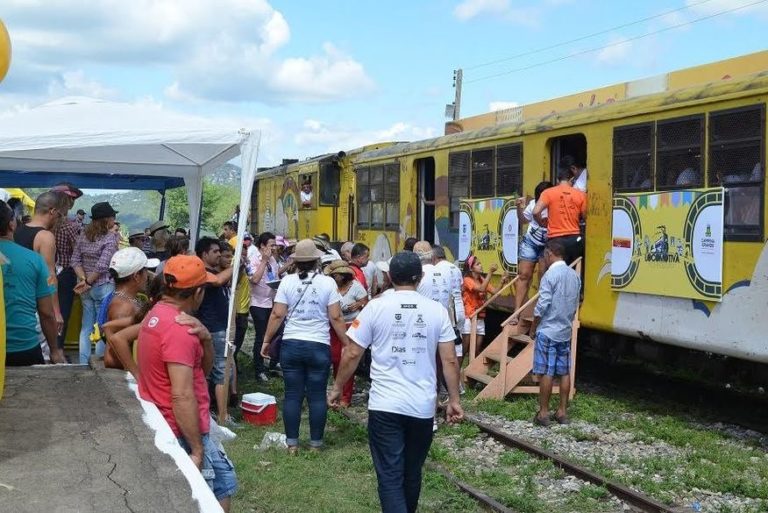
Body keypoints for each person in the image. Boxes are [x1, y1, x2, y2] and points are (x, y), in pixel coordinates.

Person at [329, 251, 464, 513]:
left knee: (390, 475)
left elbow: (353, 352)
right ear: (421, 277)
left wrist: (336, 388)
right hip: (422, 407)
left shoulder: (375, 307)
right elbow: (449, 360)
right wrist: (454, 401)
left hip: (385, 406)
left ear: (389, 276)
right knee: (412, 473)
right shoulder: (437, 311)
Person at [135, 254, 238, 511]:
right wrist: (196, 449)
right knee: (207, 499)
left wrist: (204, 339)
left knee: (223, 484)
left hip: (184, 423)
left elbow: (200, 372)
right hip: (184, 428)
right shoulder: (179, 329)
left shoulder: (158, 313)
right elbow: (182, 395)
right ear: (198, 292)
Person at [260, 239, 348, 453]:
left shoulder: (288, 282)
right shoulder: (328, 283)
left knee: (292, 395)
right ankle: (316, 444)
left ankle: (292, 444)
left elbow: (278, 313)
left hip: (292, 345)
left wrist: (266, 340)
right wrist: (347, 342)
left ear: (296, 261)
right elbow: (336, 317)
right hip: (318, 345)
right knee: (317, 395)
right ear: (318, 260)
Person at [0, 200, 59, 366]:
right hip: (23, 348)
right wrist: (54, 349)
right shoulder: (34, 260)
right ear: (12, 224)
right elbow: (46, 313)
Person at [14, 191, 69, 363]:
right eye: (62, 215)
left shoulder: (16, 231)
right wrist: (56, 312)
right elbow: (49, 277)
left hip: (18, 301)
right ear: (52, 211)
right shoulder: (45, 237)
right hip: (38, 306)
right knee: (45, 356)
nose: (61, 220)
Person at [529, 240, 580, 427]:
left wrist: (533, 327)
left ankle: (543, 413)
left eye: (544, 256)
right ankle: (562, 412)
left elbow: (542, 305)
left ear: (550, 254)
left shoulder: (550, 275)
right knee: (564, 372)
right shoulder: (574, 276)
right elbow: (576, 303)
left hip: (548, 330)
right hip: (565, 331)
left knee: (547, 372)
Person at [72, 202, 120, 364]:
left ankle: (83, 362)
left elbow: (75, 260)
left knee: (86, 326)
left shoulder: (83, 235)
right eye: (113, 216)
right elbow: (103, 265)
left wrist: (84, 281)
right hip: (102, 286)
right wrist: (89, 282)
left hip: (85, 287)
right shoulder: (111, 238)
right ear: (107, 219)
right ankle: (98, 364)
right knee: (102, 326)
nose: (114, 219)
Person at [195, 237, 235, 425]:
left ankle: (210, 412)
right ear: (204, 254)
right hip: (213, 328)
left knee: (212, 371)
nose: (219, 255)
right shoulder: (202, 272)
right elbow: (219, 281)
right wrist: (235, 266)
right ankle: (222, 415)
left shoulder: (211, 271)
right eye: (215, 252)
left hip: (215, 326)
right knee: (220, 371)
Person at [102, 247, 158, 369]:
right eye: (145, 271)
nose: (147, 276)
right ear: (137, 276)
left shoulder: (129, 300)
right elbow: (112, 358)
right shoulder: (123, 308)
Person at [325, 260, 368, 407]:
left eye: (335, 275)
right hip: (335, 326)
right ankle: (337, 390)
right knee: (336, 358)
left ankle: (345, 397)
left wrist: (358, 304)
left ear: (342, 275)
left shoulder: (355, 286)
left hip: (351, 325)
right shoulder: (330, 286)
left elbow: (365, 302)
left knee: (346, 360)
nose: (333, 277)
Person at [50, 182, 84, 352]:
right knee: (62, 312)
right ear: (68, 202)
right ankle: (58, 349)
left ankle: (47, 347)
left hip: (47, 270)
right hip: (65, 273)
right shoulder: (71, 226)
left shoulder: (48, 223)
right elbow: (78, 251)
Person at [513, 181, 553, 323]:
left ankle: (541, 312)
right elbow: (523, 220)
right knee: (524, 275)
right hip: (530, 242)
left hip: (547, 244)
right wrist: (518, 207)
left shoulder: (555, 205)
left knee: (543, 276)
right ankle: (516, 313)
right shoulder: (533, 205)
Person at [460, 255, 510, 364]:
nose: (481, 266)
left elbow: (495, 292)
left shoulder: (482, 279)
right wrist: (491, 273)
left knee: (477, 349)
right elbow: (481, 288)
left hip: (480, 317)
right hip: (469, 317)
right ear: (471, 268)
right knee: (465, 348)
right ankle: (457, 373)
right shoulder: (467, 280)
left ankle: (471, 373)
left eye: (480, 263)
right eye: (478, 264)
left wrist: (502, 281)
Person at [533, 167, 587, 265]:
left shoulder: (548, 192)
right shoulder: (581, 195)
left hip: (555, 240)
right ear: (572, 179)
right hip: (574, 239)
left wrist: (541, 223)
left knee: (555, 271)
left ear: (558, 180)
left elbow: (535, 212)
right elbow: (584, 216)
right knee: (575, 271)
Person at [248, 232, 279, 382]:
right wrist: (264, 261)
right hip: (258, 302)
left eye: (275, 244)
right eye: (271, 245)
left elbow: (275, 275)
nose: (274, 247)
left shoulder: (273, 259)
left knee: (276, 332)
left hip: (271, 300)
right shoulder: (254, 259)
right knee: (261, 336)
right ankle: (259, 370)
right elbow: (254, 279)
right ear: (262, 246)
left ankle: (273, 364)